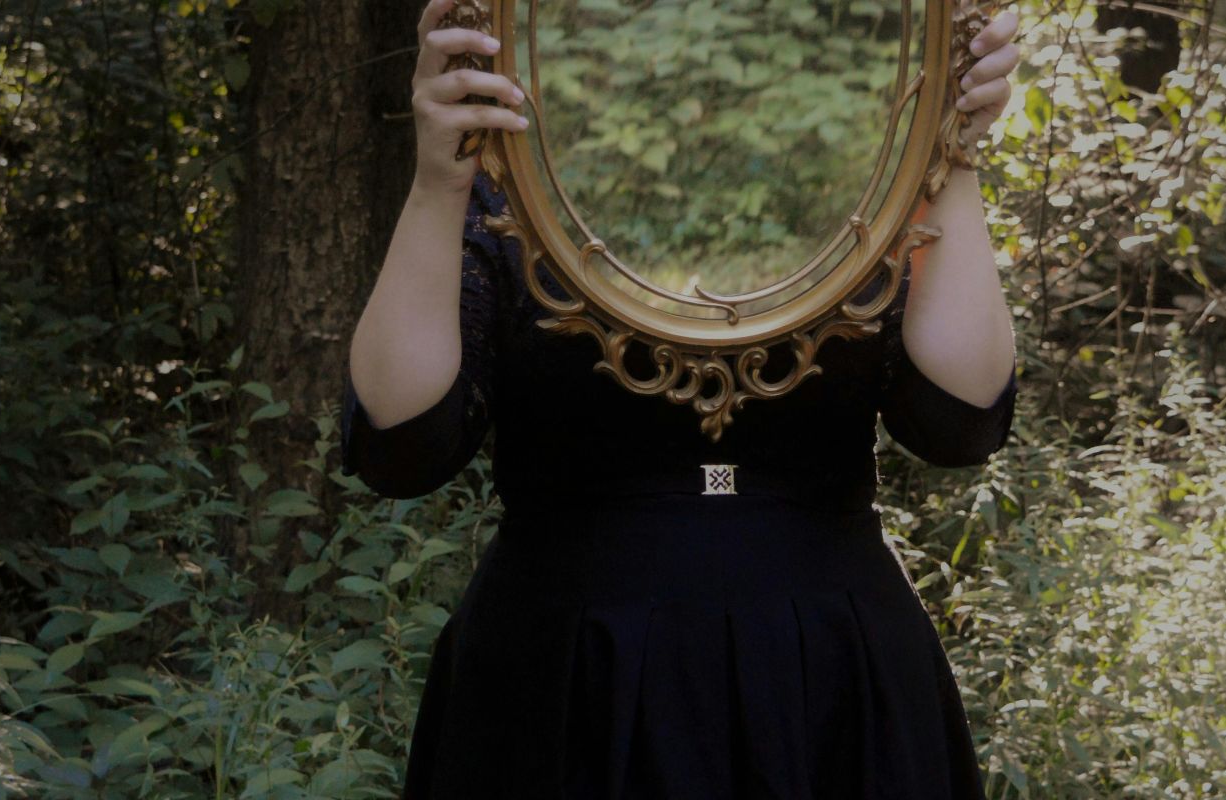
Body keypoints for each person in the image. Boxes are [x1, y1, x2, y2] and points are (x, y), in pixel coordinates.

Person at [341, 1, 1023, 796]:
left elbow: (960, 420)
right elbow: (401, 445)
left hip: (833, 689)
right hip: (561, 686)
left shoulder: (869, 169)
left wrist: (953, 152)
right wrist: (436, 184)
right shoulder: (516, 173)